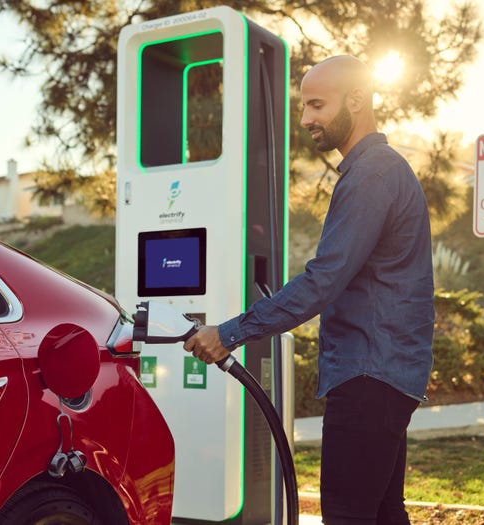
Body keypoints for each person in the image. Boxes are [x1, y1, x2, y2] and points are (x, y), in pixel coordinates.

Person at [183, 55, 434, 525]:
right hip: (384, 373)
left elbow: (322, 281)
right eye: (303, 107)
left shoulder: (371, 175)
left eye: (317, 105)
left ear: (356, 100)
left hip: (368, 374)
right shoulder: (379, 171)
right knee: (381, 512)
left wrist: (230, 332)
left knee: (346, 513)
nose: (305, 119)